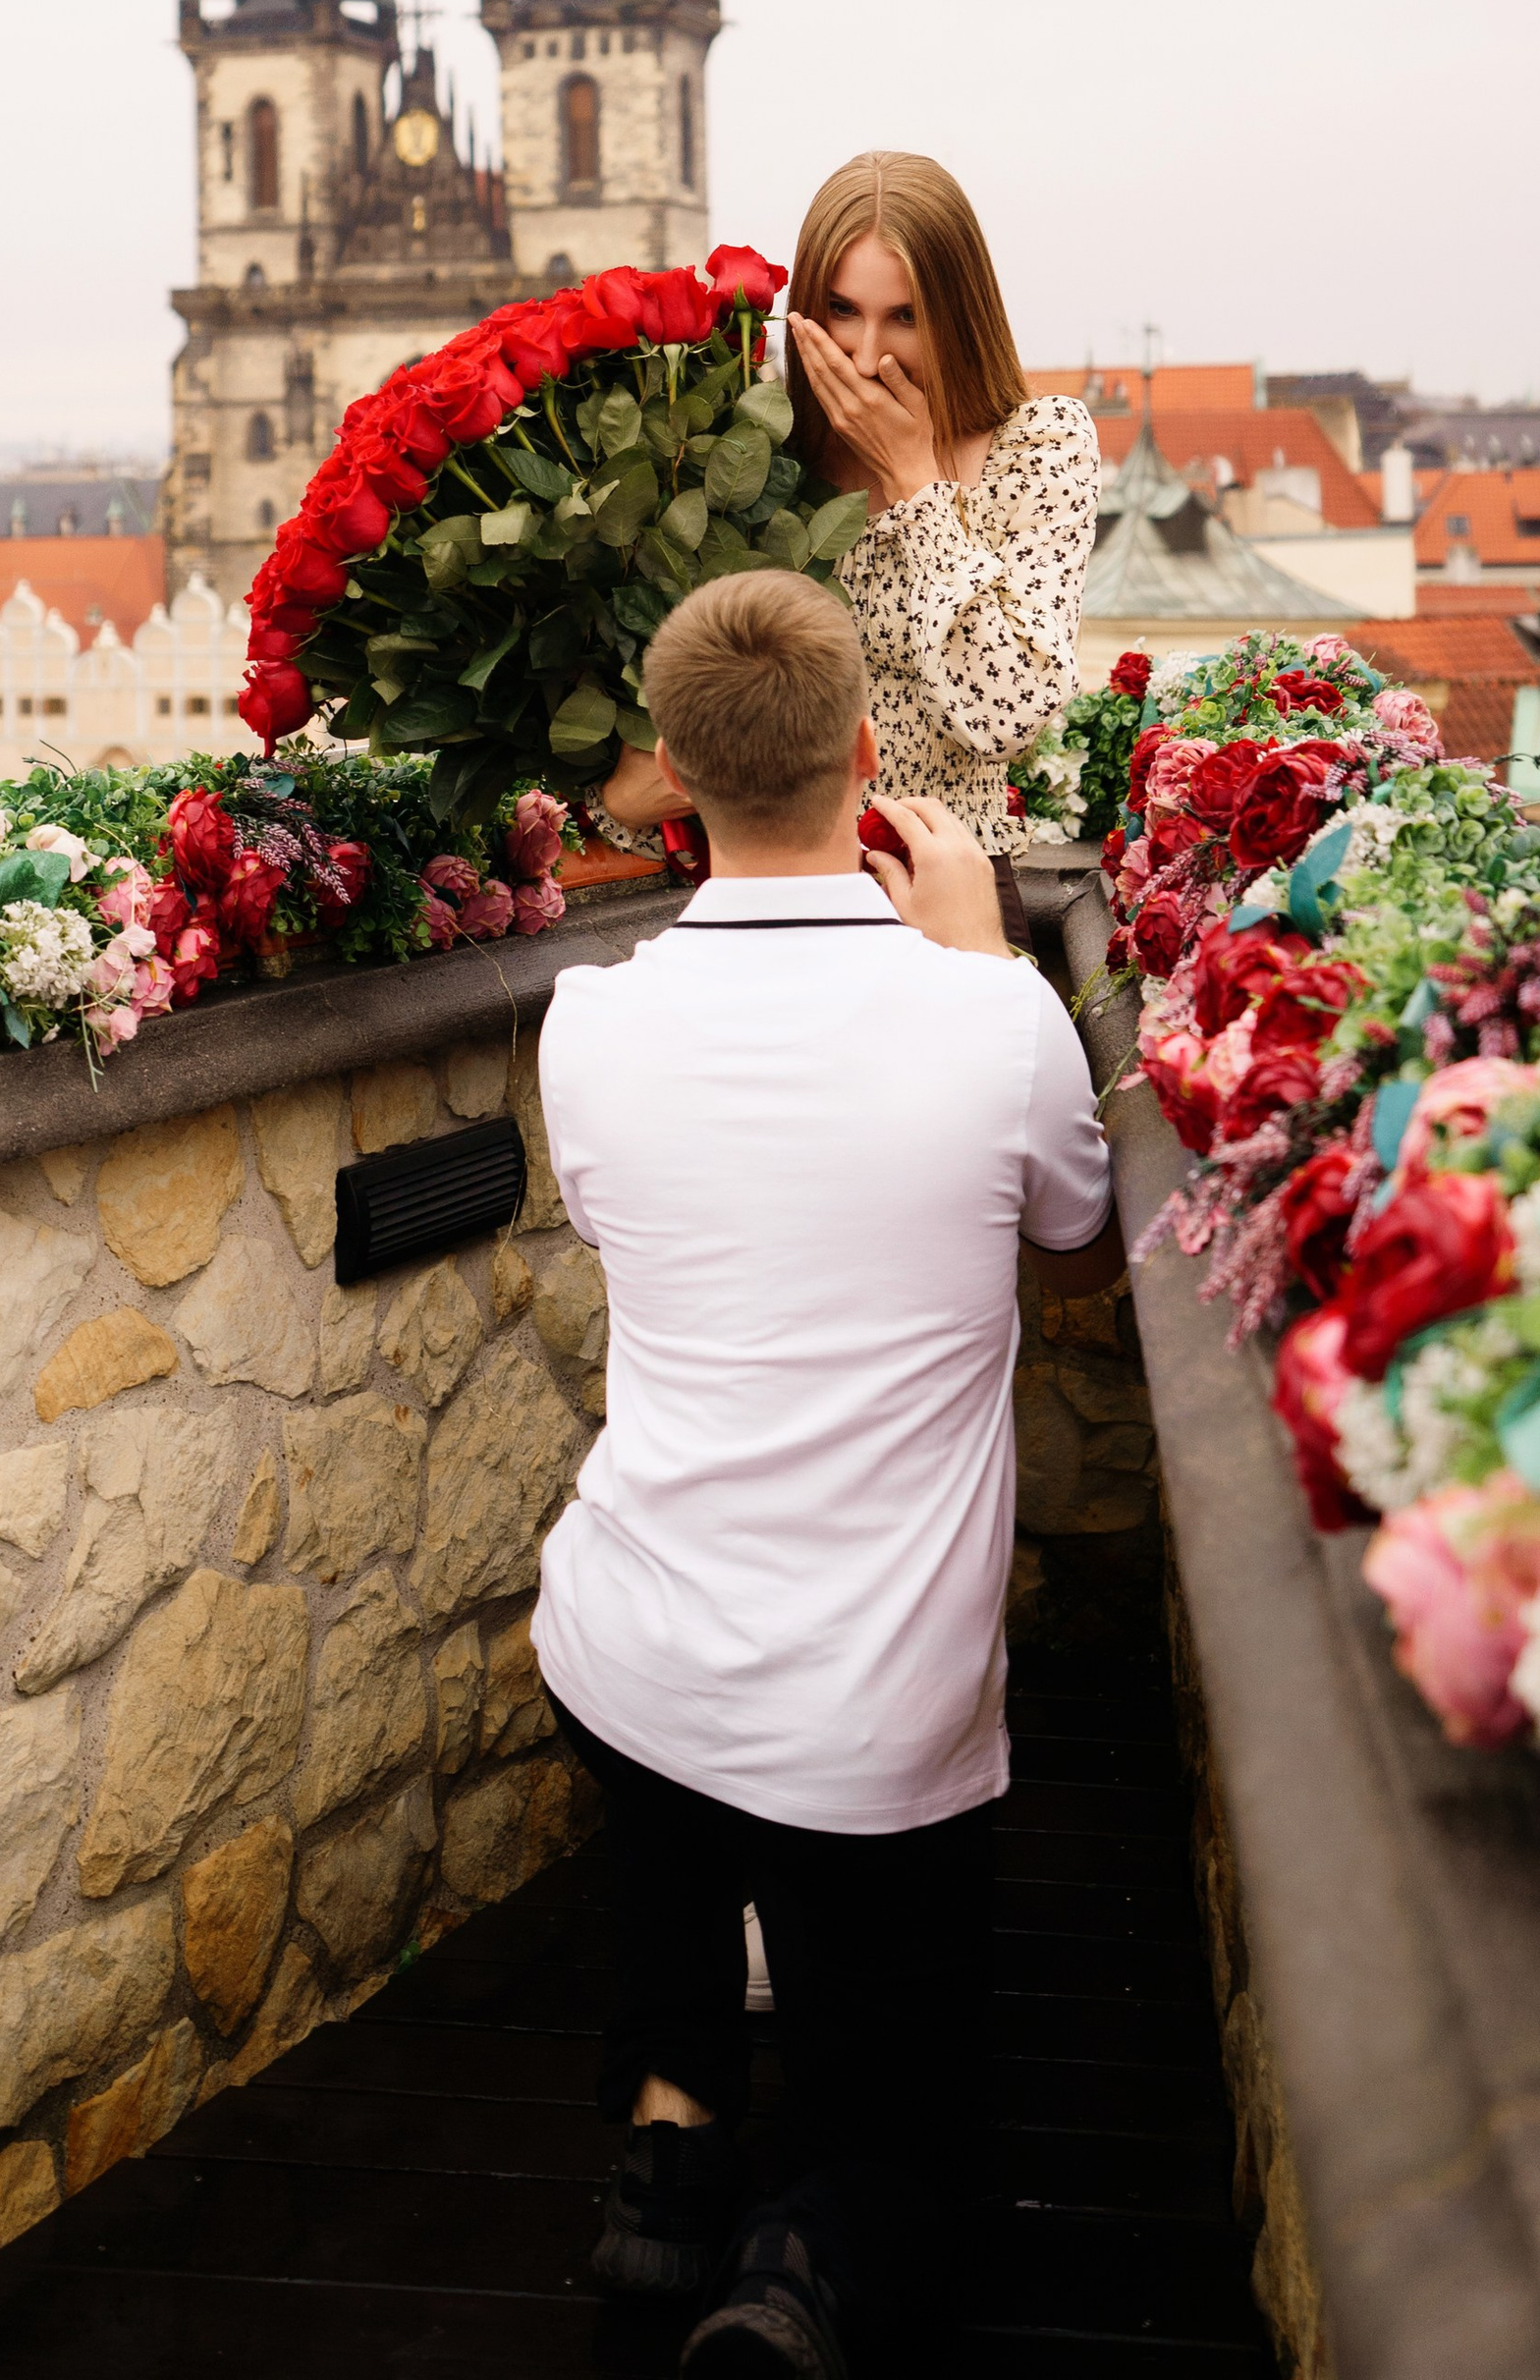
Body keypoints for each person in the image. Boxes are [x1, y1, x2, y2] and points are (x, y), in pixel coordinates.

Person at [532, 569, 1118, 2375]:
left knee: (670, 1812)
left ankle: (672, 2131)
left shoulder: (590, 1023)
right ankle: (804, 2258)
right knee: (919, 2117)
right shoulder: (985, 1021)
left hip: (633, 1646)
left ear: (670, 781)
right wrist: (987, 962)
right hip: (878, 1714)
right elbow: (1083, 1234)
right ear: (868, 761)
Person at [594, 150, 1098, 858]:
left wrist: (918, 480)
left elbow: (1008, 715)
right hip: (757, 894)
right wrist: (625, 801)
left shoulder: (1039, 444)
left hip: (936, 893)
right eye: (842, 311)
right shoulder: (758, 450)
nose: (865, 357)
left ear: (959, 314)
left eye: (905, 317)